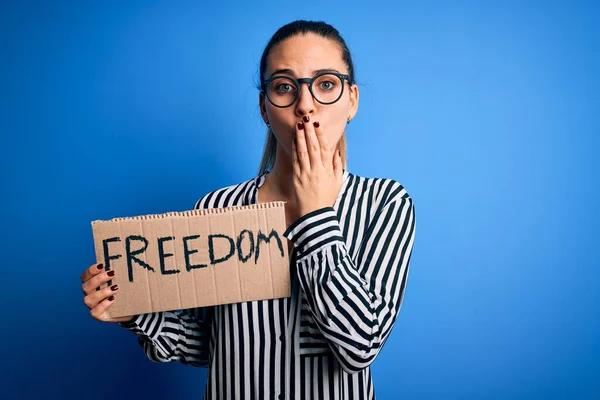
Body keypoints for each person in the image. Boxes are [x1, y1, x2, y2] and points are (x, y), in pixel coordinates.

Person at [80, 20, 416, 400]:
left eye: (325, 84)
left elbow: (360, 345)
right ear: (264, 107)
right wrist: (134, 309)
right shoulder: (217, 208)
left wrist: (315, 214)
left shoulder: (385, 204)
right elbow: (211, 342)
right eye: (285, 87)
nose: (305, 106)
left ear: (351, 100)